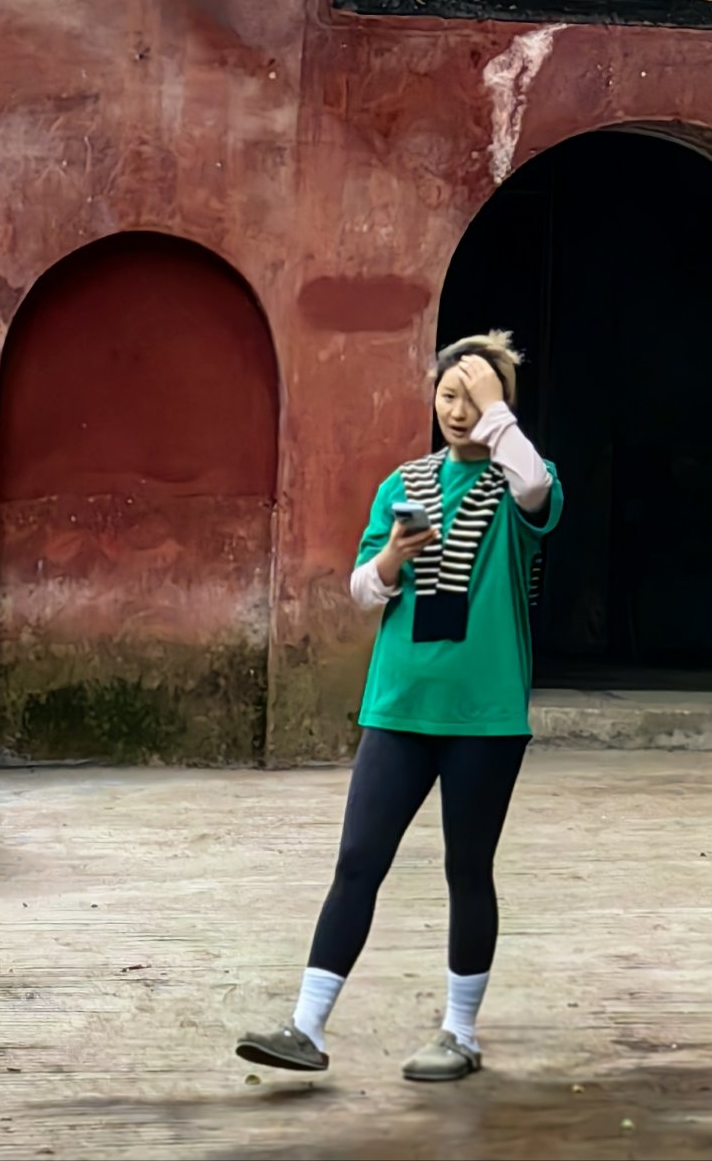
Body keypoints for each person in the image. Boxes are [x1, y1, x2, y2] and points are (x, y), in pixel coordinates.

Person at [236, 330, 562, 1085]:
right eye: (449, 394)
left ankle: (459, 1032)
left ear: (502, 406)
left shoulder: (521, 482)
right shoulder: (404, 481)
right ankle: (306, 1026)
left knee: (466, 868)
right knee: (357, 861)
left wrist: (496, 417)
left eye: (474, 396)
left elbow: (538, 488)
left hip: (484, 713)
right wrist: (390, 559)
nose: (458, 409)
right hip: (398, 704)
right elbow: (360, 589)